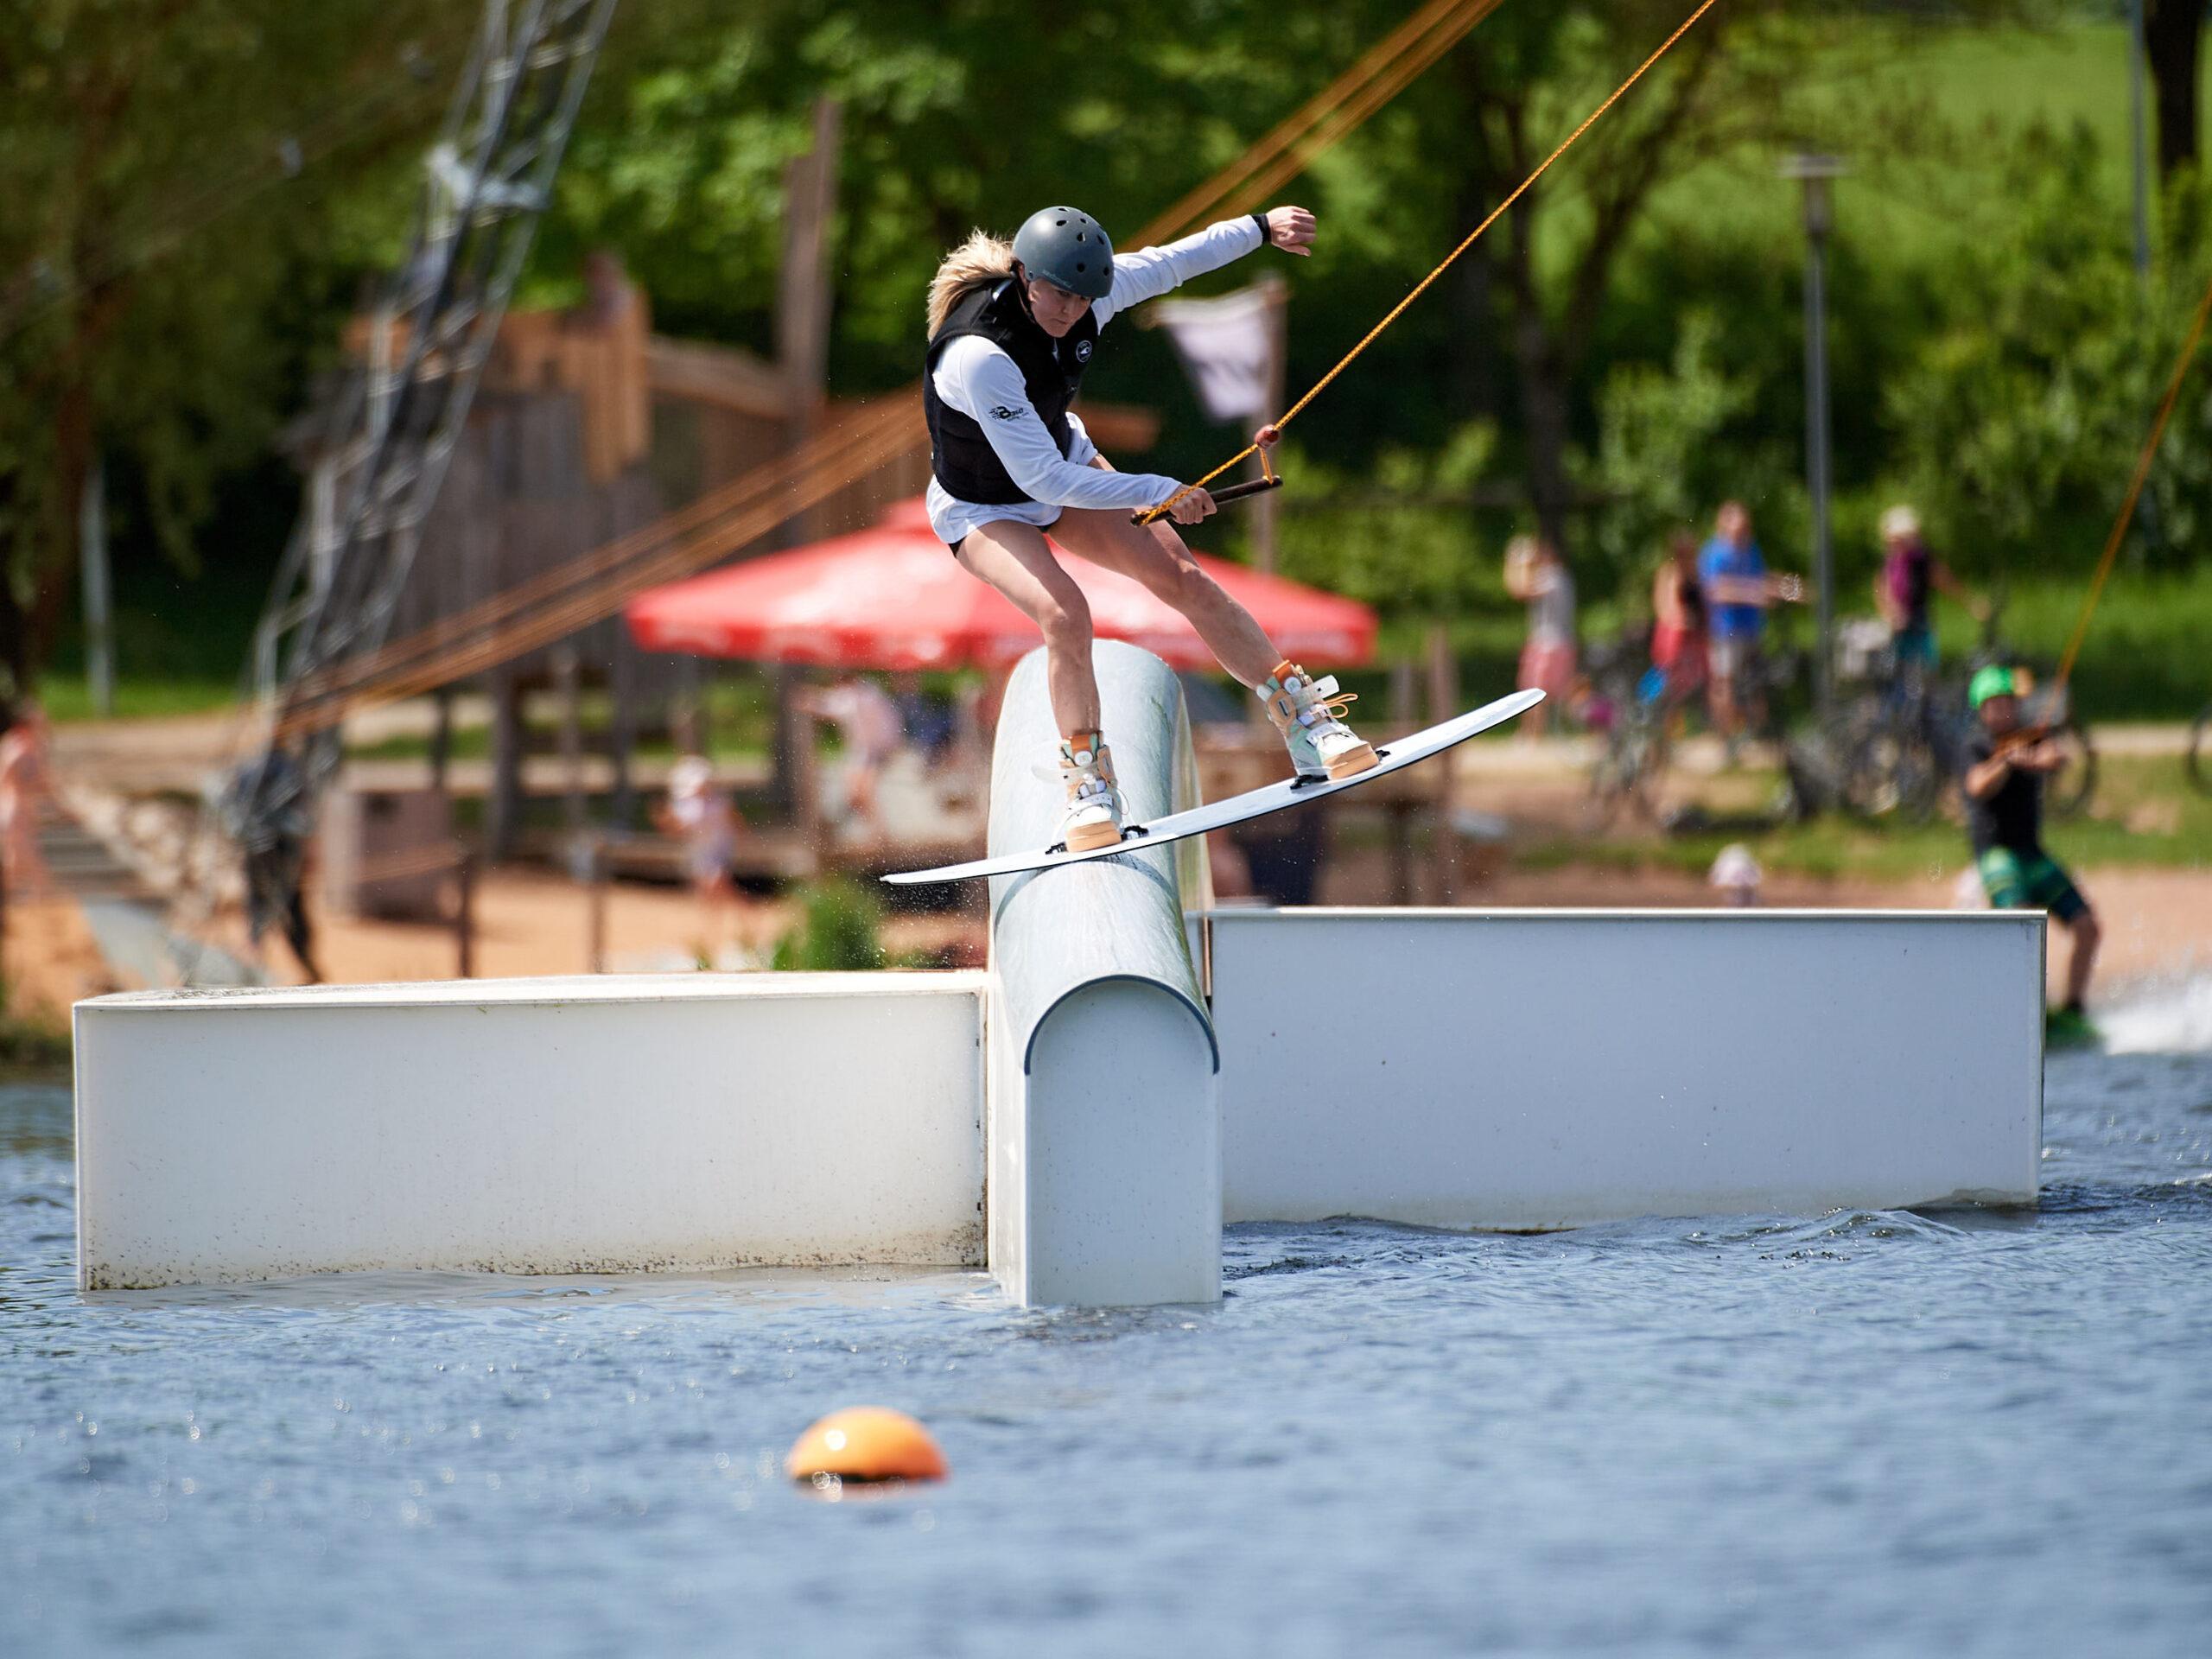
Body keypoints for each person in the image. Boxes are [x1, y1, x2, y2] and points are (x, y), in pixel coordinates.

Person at [923, 202, 1376, 852]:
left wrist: (1259, 229)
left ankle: (1306, 721)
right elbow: (1043, 481)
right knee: (1064, 614)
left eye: (1084, 298)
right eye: (1057, 294)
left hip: (1062, 464)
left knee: (1182, 575)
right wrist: (1159, 489)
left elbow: (1172, 263)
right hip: (985, 506)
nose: (1071, 310)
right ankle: (1087, 789)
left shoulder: (1088, 298)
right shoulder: (978, 356)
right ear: (1024, 275)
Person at [1961, 664, 2099, 1034]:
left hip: (2032, 854)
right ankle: (2019, 1008)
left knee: (2087, 927)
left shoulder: (2031, 739)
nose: (2004, 710)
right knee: (2021, 924)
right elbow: (1977, 785)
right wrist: (2006, 762)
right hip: (1995, 857)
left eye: (2008, 703)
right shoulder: (1976, 747)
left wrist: (2032, 757)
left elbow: (2057, 758)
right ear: (1982, 710)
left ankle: (2073, 1009)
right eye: (1995, 704)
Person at [1697, 501, 1800, 750]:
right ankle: (1726, 738)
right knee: (1725, 683)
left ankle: (1754, 734)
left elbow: (1759, 580)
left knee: (1755, 682)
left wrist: (1786, 587)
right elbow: (1715, 589)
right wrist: (1753, 594)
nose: (1743, 531)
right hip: (1725, 629)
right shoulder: (1714, 553)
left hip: (1751, 628)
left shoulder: (1751, 550)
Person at [219, 748, 322, 984]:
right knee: (274, 907)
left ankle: (300, 966)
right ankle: (260, 965)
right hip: (277, 851)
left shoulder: (260, 768)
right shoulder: (286, 770)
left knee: (275, 907)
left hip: (272, 851)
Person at [1872, 504, 1979, 688]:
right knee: (1897, 674)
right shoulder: (1890, 564)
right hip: (1897, 628)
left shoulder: (1922, 562)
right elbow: (1882, 591)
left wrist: (1971, 603)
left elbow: (1946, 582)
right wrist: (1890, 614)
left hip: (1919, 624)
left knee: (1925, 673)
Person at [796, 673, 903, 842]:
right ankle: (878, 832)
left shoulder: (864, 695)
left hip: (874, 750)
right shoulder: (864, 693)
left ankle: (878, 834)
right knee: (855, 795)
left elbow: (834, 705)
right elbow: (835, 703)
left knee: (862, 792)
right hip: (865, 751)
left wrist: (813, 700)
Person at [655, 754, 741, 954]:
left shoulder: (717, 803)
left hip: (719, 850)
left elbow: (734, 819)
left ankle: (723, 924)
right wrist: (665, 819)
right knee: (711, 891)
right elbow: (678, 830)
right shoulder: (690, 807)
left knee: (715, 884)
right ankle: (726, 921)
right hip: (701, 852)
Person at [1503, 534, 1575, 737]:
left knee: (1534, 691)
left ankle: (1533, 734)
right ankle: (1534, 733)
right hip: (1550, 642)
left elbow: (1520, 590)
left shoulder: (1553, 577)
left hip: (1550, 643)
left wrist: (1514, 562)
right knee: (1540, 690)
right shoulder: (1558, 576)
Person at [1649, 531, 1707, 709]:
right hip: (1673, 635)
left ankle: (1674, 721)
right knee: (1667, 677)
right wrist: (1681, 619)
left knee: (1686, 682)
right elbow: (1663, 606)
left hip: (1692, 637)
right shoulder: (1669, 573)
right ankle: (1649, 709)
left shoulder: (1697, 574)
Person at [0, 703, 54, 899]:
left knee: (15, 854)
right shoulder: (17, 751)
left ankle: (25, 892)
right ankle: (42, 890)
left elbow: (44, 783)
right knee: (22, 852)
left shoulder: (31, 749)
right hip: (13, 808)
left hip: (22, 807)